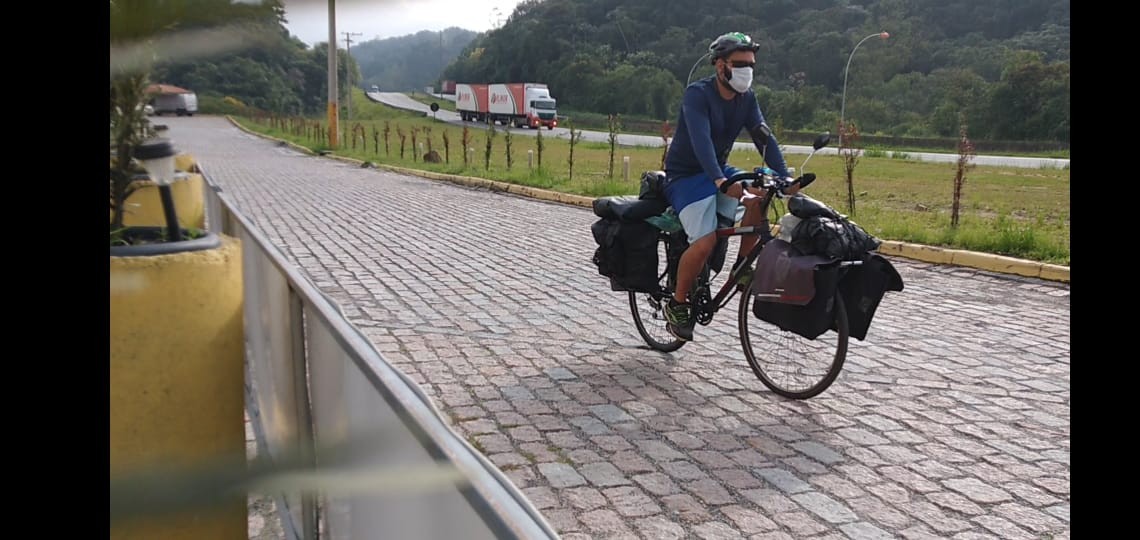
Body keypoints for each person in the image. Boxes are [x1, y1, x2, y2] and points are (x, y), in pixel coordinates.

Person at [662, 31, 800, 341]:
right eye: (739, 64)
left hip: (719, 169)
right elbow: (700, 143)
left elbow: (764, 137)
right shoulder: (697, 95)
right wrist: (721, 181)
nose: (746, 71)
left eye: (751, 64)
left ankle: (741, 267)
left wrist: (784, 178)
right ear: (719, 65)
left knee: (759, 196)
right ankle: (677, 302)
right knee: (706, 241)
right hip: (686, 175)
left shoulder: (746, 98)